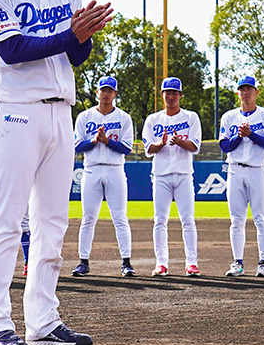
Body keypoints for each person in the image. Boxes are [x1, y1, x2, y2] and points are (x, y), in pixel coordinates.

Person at [0, 0, 113, 345]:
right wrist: (71, 35)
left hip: (60, 113)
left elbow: (75, 58)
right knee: (7, 221)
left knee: (53, 222)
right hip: (14, 110)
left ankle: (43, 320)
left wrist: (83, 35)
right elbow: (13, 49)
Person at [70, 75, 136, 278]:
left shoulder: (124, 118)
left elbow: (126, 148)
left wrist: (106, 141)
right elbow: (77, 145)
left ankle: (126, 263)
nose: (106, 94)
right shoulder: (84, 116)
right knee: (88, 218)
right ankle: (83, 262)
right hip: (92, 169)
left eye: (110, 90)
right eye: (103, 90)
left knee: (120, 217)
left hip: (115, 168)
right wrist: (94, 140)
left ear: (115, 94)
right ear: (97, 92)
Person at [219, 76, 264, 278]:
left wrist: (251, 134)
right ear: (238, 93)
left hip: (258, 169)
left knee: (261, 218)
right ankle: (237, 262)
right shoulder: (228, 117)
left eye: (249, 89)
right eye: (242, 89)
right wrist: (240, 135)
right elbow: (225, 146)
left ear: (256, 92)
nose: (245, 92)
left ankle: (263, 263)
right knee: (236, 220)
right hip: (235, 169)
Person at [142, 77, 202, 277]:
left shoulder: (191, 117)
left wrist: (179, 141)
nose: (171, 96)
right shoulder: (152, 119)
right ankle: (161, 263)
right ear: (162, 95)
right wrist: (162, 143)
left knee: (188, 220)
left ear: (180, 95)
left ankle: (191, 263)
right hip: (161, 174)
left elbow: (194, 146)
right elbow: (148, 149)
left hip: (184, 174)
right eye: (167, 92)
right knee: (160, 220)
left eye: (175, 92)